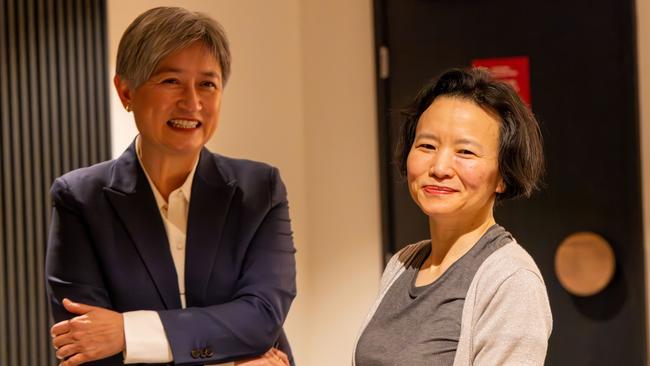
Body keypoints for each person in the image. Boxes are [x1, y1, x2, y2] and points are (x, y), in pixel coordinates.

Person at [45, 7, 295, 366]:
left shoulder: (258, 190)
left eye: (207, 84)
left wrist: (125, 332)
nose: (192, 102)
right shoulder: (81, 199)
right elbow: (84, 348)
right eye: (170, 81)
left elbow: (261, 319)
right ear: (125, 90)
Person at [353, 68, 552, 365]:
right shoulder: (403, 263)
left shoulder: (511, 281)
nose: (440, 167)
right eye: (427, 146)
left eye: (466, 152)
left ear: (503, 176)